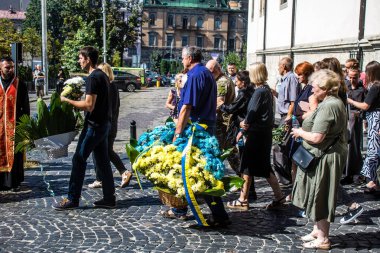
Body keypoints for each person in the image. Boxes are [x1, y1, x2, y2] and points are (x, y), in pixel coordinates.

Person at [162, 46, 230, 227]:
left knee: (200, 172)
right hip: (207, 126)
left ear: (190, 58)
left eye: (183, 58)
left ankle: (219, 215)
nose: (182, 61)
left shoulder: (193, 76)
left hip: (196, 129)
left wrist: (177, 132)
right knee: (193, 170)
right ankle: (180, 208)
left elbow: (186, 107)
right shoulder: (208, 74)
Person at [291, 69, 348, 250]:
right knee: (315, 192)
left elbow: (317, 137)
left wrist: (299, 132)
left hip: (326, 157)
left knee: (321, 194)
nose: (312, 89)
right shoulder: (329, 102)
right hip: (322, 155)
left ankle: (323, 239)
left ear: (325, 88)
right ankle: (317, 230)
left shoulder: (330, 105)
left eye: (315, 86)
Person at [53, 46, 115, 210]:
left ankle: (72, 199)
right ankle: (109, 198)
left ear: (88, 59)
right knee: (102, 161)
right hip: (104, 124)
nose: (79, 61)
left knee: (78, 159)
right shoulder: (102, 75)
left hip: (94, 126)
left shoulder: (93, 78)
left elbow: (89, 105)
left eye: (80, 58)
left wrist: (67, 100)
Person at [227, 63, 285, 211]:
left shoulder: (260, 92)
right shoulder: (266, 90)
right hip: (263, 134)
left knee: (247, 166)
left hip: (256, 134)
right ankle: (279, 196)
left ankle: (243, 199)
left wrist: (242, 124)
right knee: (265, 167)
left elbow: (251, 113)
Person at [88, 63, 132, 189]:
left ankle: (120, 172)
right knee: (104, 151)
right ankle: (104, 177)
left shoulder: (108, 87)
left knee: (103, 151)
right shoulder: (113, 86)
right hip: (111, 125)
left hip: (106, 125)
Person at [287, 61, 318, 202]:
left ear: (306, 74)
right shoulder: (304, 87)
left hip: (303, 130)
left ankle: (302, 194)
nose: (297, 77)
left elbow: (314, 111)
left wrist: (299, 117)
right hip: (297, 129)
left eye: (299, 74)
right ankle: (296, 192)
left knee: (302, 162)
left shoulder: (311, 89)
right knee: (295, 161)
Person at [347, 61, 380, 193]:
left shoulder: (376, 87)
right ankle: (373, 181)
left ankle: (371, 180)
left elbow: (365, 106)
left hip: (375, 119)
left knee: (373, 150)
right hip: (375, 118)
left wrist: (349, 100)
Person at [0, 56, 30, 191]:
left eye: (12, 67)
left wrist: (25, 126)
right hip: (0, 127)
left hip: (15, 126)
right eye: (7, 67)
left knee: (15, 155)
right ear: (0, 68)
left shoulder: (20, 84)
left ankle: (14, 182)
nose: (11, 69)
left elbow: (26, 107)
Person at [271, 57, 301, 185]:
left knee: (278, 146)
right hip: (283, 115)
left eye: (279, 66)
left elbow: (293, 101)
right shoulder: (285, 79)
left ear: (284, 66)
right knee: (280, 146)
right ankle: (284, 177)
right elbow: (285, 98)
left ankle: (284, 178)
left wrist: (288, 116)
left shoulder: (291, 78)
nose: (278, 68)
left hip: (287, 117)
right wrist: (275, 93)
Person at [205, 59, 238, 172]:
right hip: (223, 121)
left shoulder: (221, 82)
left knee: (225, 151)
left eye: (210, 72)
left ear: (216, 70)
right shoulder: (221, 79)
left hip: (223, 123)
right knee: (227, 151)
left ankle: (245, 180)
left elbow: (219, 102)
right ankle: (246, 180)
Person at [341, 68, 366, 185]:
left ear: (359, 76)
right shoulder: (345, 86)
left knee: (353, 147)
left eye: (354, 77)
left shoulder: (362, 89)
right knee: (345, 145)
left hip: (355, 120)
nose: (352, 80)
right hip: (345, 119)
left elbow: (365, 106)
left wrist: (359, 112)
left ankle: (353, 172)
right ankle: (344, 172)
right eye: (350, 77)